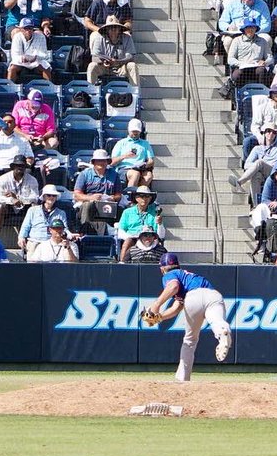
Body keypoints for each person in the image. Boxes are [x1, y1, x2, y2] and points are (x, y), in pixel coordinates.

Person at [142, 253, 232, 381]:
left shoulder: (170, 274)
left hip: (193, 297)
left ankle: (182, 379)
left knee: (190, 340)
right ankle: (222, 331)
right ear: (178, 264)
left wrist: (156, 304)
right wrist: (159, 317)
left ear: (162, 268)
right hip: (213, 295)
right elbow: (175, 308)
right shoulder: (187, 276)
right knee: (217, 322)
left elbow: (173, 286)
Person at [73, 148, 124, 233]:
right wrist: (91, 198)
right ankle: (85, 231)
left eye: (104, 160)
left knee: (120, 210)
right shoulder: (84, 174)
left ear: (107, 162)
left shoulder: (114, 174)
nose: (101, 163)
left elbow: (119, 195)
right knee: (87, 206)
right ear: (93, 162)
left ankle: (116, 234)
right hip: (89, 202)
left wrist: (112, 198)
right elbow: (77, 195)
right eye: (98, 160)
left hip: (107, 203)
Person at [0, 155, 40, 236]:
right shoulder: (3, 179)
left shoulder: (32, 180)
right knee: (1, 206)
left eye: (22, 166)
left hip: (24, 207)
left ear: (25, 167)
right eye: (17, 165)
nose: (20, 168)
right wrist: (11, 200)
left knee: (34, 207)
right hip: (8, 209)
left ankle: (33, 236)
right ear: (13, 167)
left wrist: (18, 198)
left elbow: (35, 198)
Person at [19, 185, 72, 258]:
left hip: (52, 244)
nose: (51, 197)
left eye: (54, 195)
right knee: (32, 264)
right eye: (49, 195)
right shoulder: (32, 210)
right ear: (44, 197)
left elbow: (65, 228)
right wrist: (21, 237)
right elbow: (25, 226)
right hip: (34, 242)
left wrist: (70, 235)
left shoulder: (61, 213)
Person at [87, 16, 139, 87]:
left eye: (115, 27)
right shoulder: (99, 37)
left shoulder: (127, 38)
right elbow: (94, 57)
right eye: (110, 27)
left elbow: (131, 56)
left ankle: (135, 91)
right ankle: (91, 91)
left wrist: (119, 62)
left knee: (132, 65)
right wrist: (103, 61)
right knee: (92, 66)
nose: (113, 29)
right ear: (107, 29)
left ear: (119, 28)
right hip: (104, 68)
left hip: (121, 67)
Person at [112, 118, 156, 188]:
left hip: (141, 168)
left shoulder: (145, 143)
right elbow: (112, 162)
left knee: (148, 176)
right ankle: (130, 193)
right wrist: (124, 156)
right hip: (125, 169)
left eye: (137, 131)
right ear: (129, 130)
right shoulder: (121, 143)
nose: (135, 133)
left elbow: (151, 160)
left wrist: (145, 165)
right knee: (135, 174)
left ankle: (138, 192)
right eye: (133, 131)